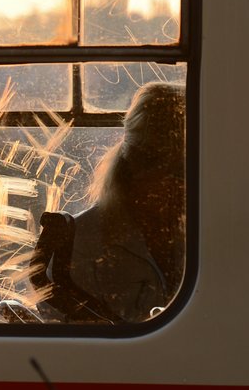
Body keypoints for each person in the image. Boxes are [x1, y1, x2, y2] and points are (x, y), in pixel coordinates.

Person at [32, 82, 185, 323]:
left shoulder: (206, 233)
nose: (177, 185)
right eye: (168, 170)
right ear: (137, 166)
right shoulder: (82, 244)